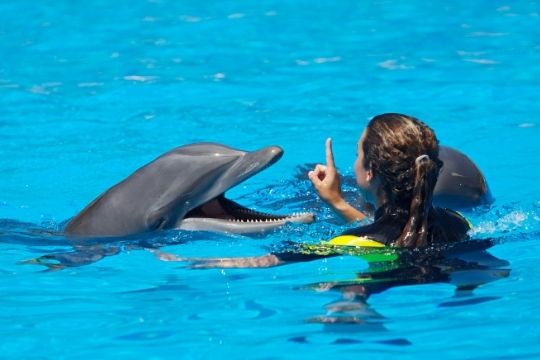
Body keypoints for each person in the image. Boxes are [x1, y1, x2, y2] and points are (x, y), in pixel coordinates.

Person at [158, 113, 471, 268]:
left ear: (370, 173)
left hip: (365, 297)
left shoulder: (352, 242)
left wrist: (196, 262)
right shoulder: (458, 223)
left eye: (358, 154)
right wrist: (335, 201)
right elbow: (399, 231)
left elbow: (273, 260)